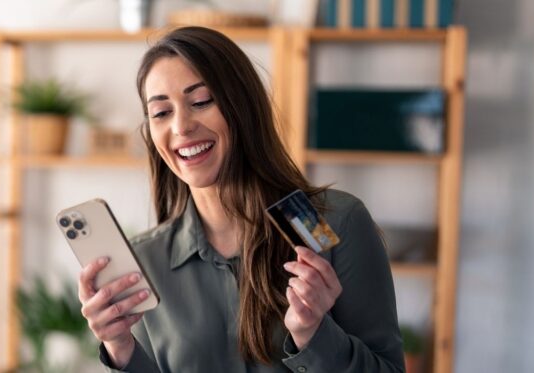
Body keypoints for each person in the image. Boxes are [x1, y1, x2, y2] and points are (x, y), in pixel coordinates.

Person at [78, 26, 404, 372]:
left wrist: (314, 335)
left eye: (201, 101)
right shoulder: (143, 261)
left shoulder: (333, 223)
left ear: (243, 106)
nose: (181, 127)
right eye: (161, 112)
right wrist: (120, 349)